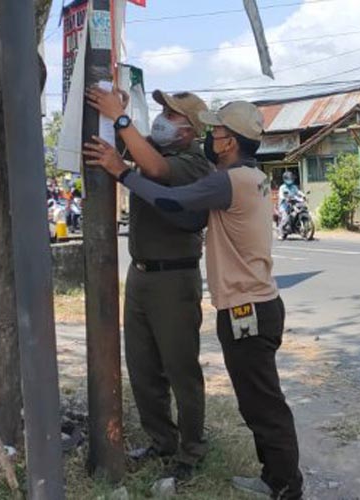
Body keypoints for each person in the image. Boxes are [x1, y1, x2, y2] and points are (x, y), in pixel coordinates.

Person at [84, 101, 304, 500]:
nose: (211, 137)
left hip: (246, 309)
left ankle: (285, 485)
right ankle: (277, 478)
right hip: (253, 307)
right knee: (260, 401)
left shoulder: (227, 180)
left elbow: (172, 201)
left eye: (216, 132)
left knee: (263, 404)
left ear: (228, 142)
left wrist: (122, 172)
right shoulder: (248, 176)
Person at [85, 86, 212, 480]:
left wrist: (121, 120)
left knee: (180, 369)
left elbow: (155, 171)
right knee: (142, 368)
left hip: (174, 279)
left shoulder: (193, 163)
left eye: (171, 114)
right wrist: (117, 120)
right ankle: (162, 441)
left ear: (190, 129)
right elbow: (144, 160)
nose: (162, 119)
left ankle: (192, 451)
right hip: (140, 275)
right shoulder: (156, 153)